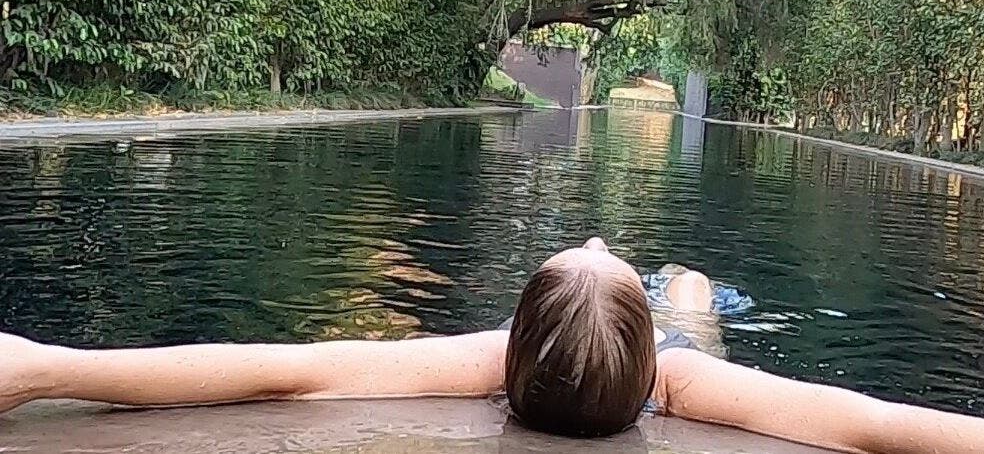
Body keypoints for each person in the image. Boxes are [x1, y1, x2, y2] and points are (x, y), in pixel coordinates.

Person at [2, 237, 983, 453]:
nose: (600, 241)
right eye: (598, 250)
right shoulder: (681, 376)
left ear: (510, 354)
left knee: (648, 290)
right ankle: (673, 284)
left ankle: (640, 290)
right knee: (690, 282)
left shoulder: (482, 361)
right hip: (677, 335)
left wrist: (45, 365)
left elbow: (281, 367)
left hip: (620, 333)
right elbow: (882, 425)